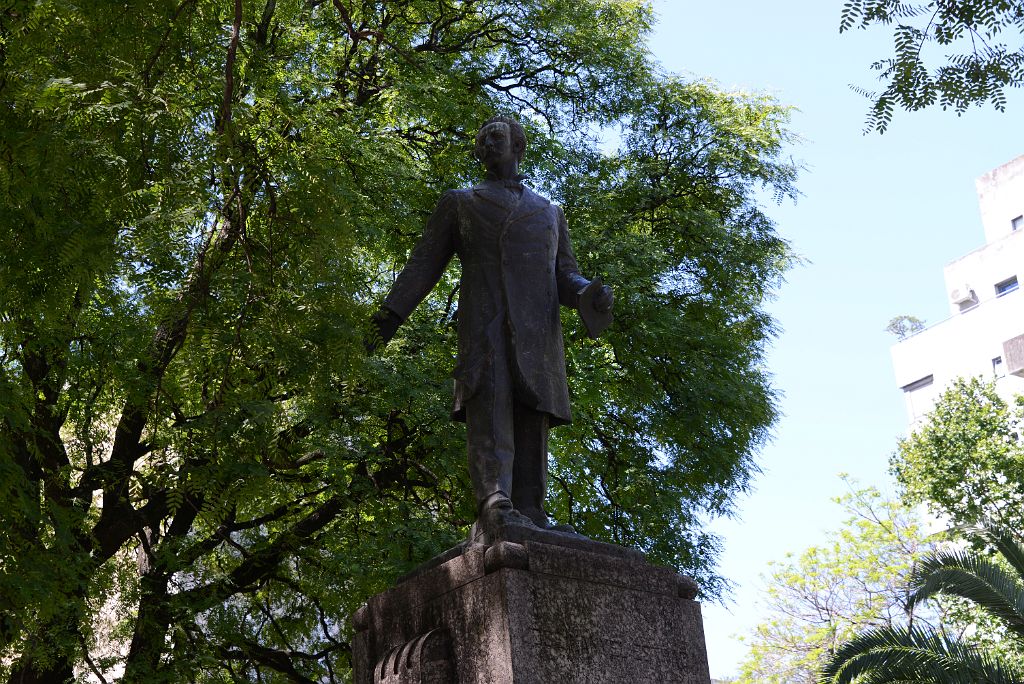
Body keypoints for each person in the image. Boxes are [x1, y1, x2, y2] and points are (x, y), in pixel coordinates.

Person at [371, 116, 613, 535]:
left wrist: (588, 293)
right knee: (491, 405)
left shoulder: (550, 213)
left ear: (518, 146)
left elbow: (564, 275)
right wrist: (390, 315)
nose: (486, 142)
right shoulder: (461, 203)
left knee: (532, 413)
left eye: (496, 135)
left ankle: (532, 509)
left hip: (538, 331)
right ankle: (493, 501)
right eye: (481, 138)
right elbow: (423, 265)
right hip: (486, 323)